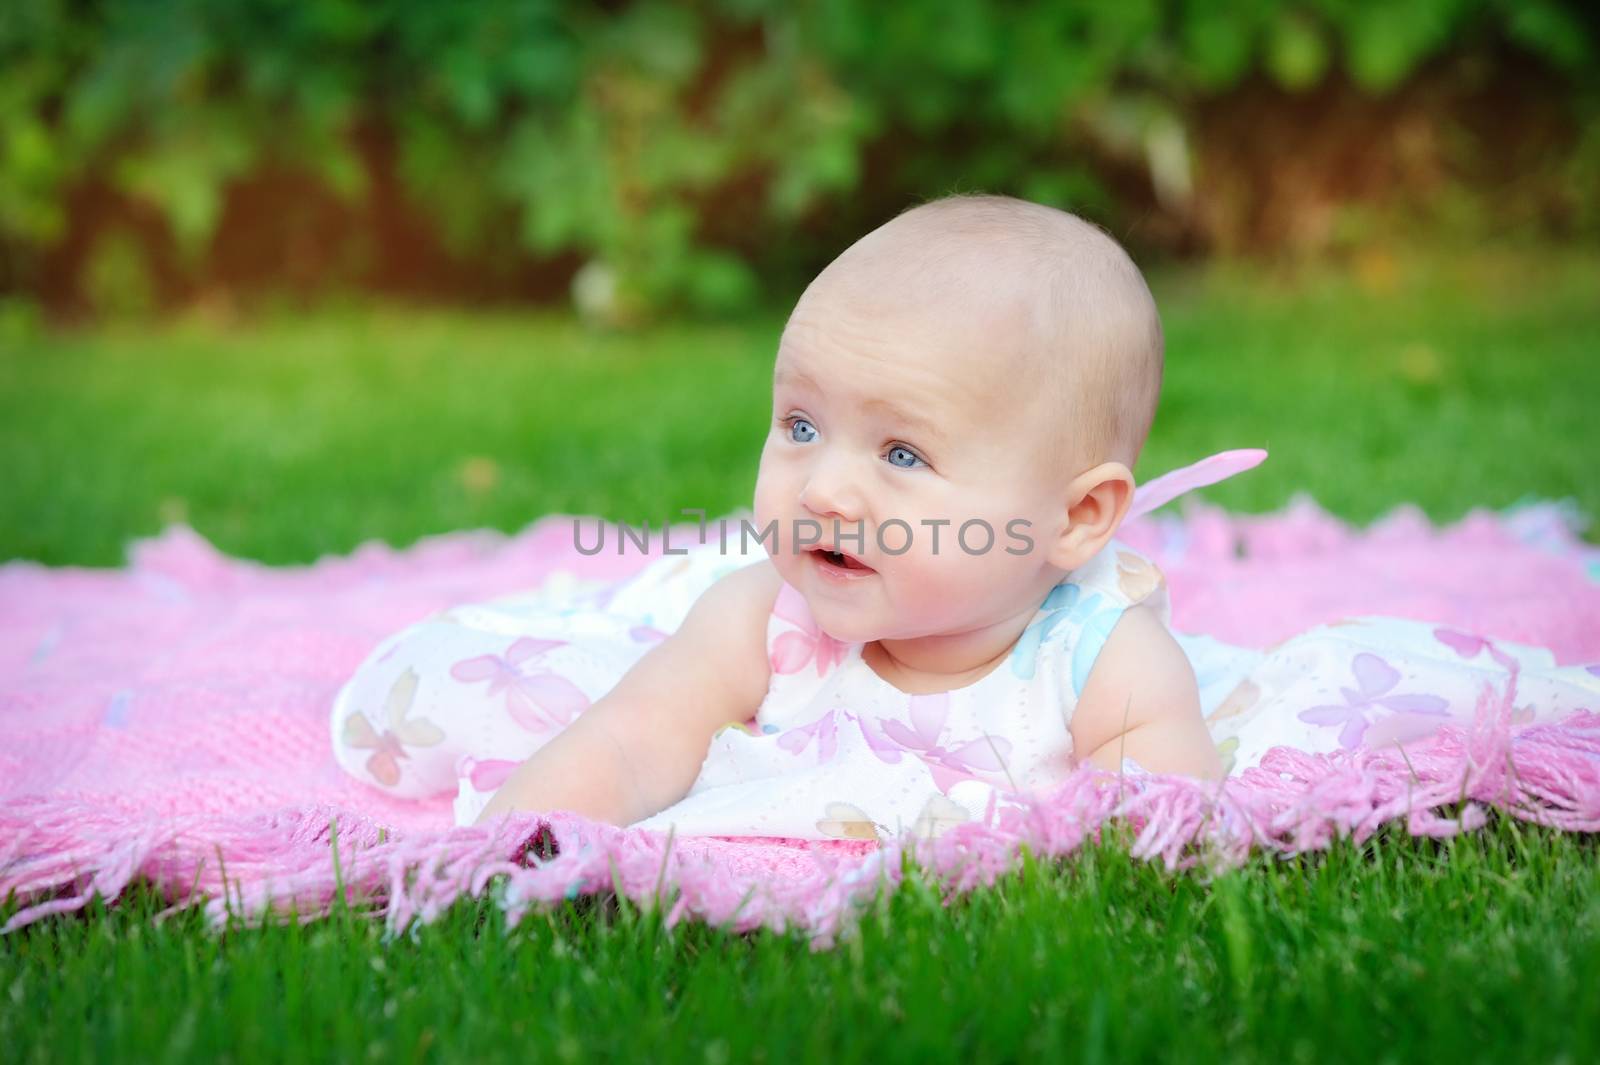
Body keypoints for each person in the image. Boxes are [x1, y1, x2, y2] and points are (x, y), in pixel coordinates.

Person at [328, 195, 1262, 839]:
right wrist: (517, 842)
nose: (822, 491)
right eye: (802, 426)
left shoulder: (1102, 660)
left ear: (1076, 516)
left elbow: (1165, 826)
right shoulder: (764, 616)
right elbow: (630, 737)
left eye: (902, 454)